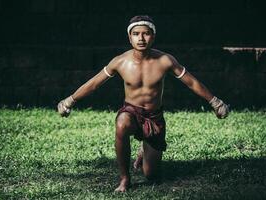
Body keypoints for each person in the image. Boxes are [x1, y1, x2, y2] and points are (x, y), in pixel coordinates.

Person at [57, 15, 229, 192]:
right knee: (122, 123)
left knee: (151, 175)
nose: (141, 38)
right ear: (129, 37)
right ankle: (125, 179)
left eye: (146, 34)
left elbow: (191, 82)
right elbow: (94, 83)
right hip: (131, 112)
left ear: (153, 36)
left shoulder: (165, 60)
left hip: (154, 117)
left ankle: (144, 149)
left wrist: (215, 102)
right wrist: (70, 100)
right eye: (136, 34)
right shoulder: (120, 61)